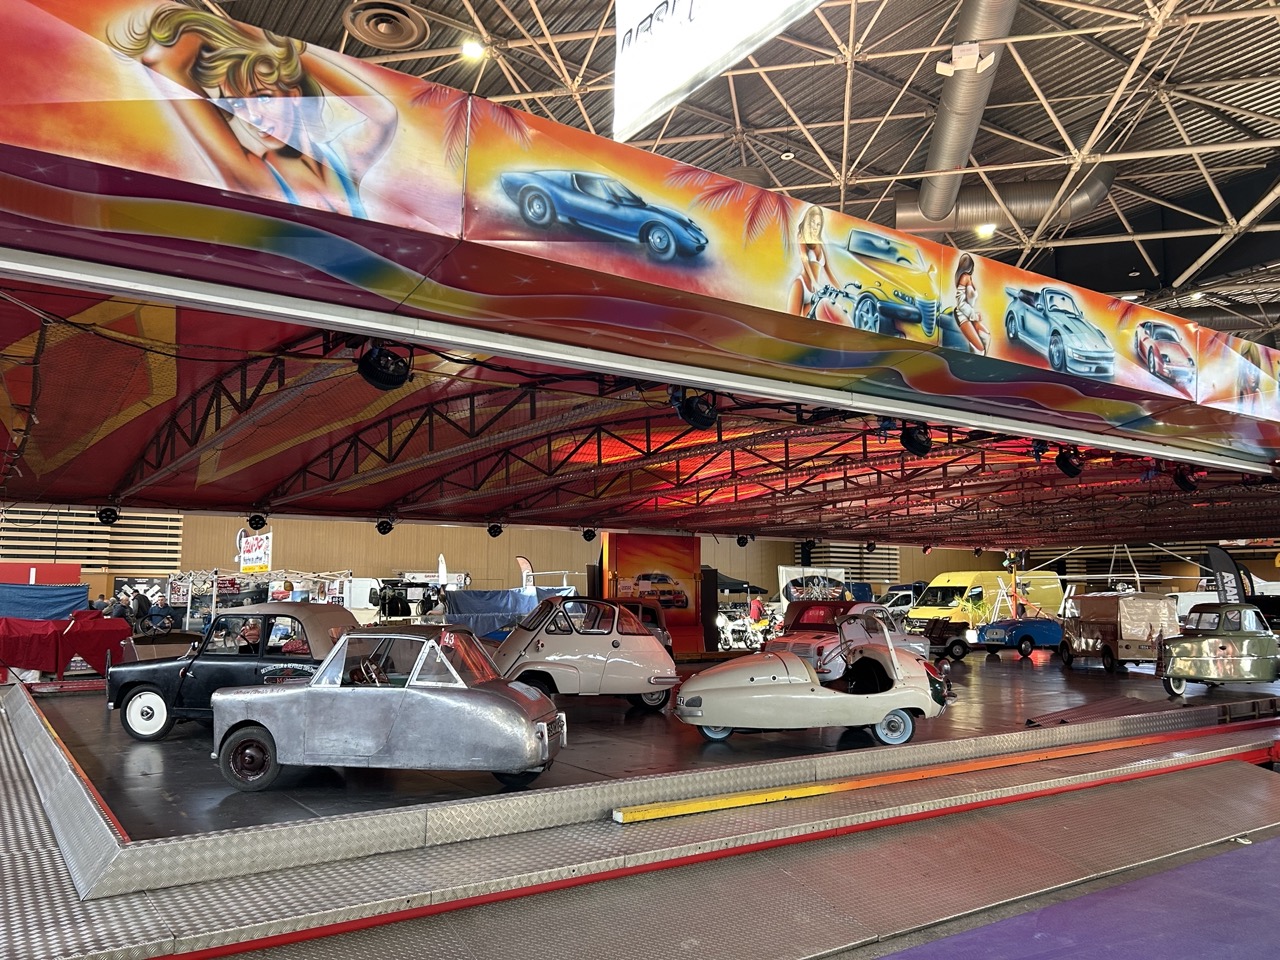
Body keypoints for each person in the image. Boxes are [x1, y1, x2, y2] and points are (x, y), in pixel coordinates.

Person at [108, 5, 397, 219]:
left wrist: (285, 50)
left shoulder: (343, 157)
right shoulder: (253, 173)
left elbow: (383, 114)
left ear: (295, 95)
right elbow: (162, 63)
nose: (251, 115)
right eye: (236, 104)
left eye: (262, 98)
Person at [786, 205, 843, 321]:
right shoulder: (802, 237)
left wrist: (841, 289)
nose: (815, 227)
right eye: (813, 223)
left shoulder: (821, 244)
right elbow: (804, 260)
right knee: (791, 323)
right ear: (808, 222)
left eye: (818, 224)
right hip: (802, 285)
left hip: (814, 292)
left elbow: (828, 271)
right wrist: (814, 282)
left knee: (806, 326)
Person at [954, 252, 991, 354]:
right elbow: (960, 303)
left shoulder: (969, 278)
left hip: (969, 314)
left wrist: (974, 315)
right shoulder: (964, 277)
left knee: (986, 336)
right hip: (962, 314)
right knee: (980, 349)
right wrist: (974, 315)